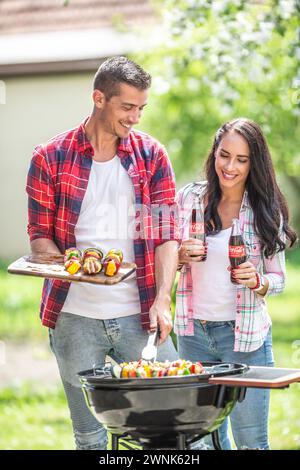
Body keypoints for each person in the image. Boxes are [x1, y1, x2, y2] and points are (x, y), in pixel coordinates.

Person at [26, 56, 179, 450]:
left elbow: (165, 236)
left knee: (166, 431)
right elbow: (40, 238)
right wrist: (73, 264)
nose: (136, 118)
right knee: (90, 437)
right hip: (75, 319)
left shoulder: (152, 156)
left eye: (142, 108)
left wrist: (163, 299)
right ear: (98, 98)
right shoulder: (49, 157)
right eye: (127, 107)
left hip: (139, 313)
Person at [175, 118, 297, 450]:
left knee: (250, 442)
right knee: (204, 441)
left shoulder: (264, 210)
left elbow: (279, 280)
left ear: (253, 163)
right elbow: (164, 257)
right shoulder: (189, 200)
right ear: (214, 153)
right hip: (193, 335)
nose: (230, 166)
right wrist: (179, 255)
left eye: (241, 160)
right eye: (224, 155)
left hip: (245, 338)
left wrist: (257, 281)